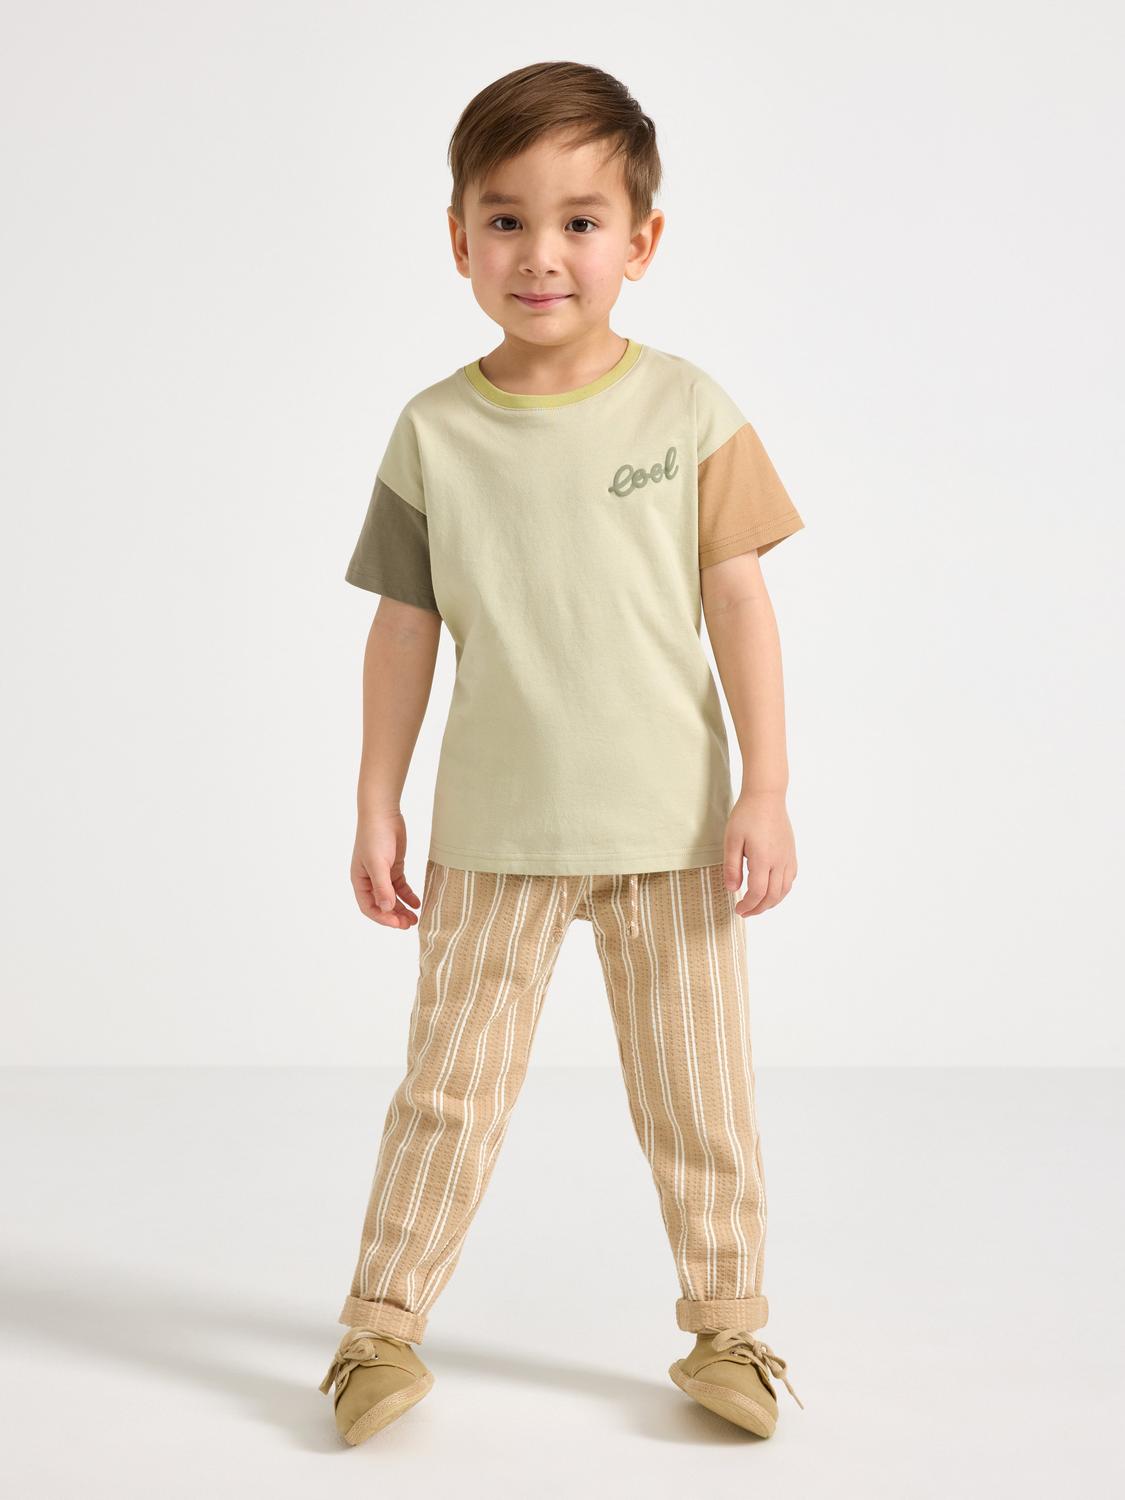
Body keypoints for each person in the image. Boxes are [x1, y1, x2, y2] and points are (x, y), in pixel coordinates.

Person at [318, 59, 807, 1446]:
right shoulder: (432, 432)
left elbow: (739, 605)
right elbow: (402, 628)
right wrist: (375, 800)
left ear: (640, 241)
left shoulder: (691, 411)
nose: (542, 254)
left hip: (673, 828)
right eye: (507, 220)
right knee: (448, 1095)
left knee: (700, 1099)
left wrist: (767, 789)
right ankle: (377, 1333)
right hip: (494, 832)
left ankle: (729, 1330)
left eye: (580, 222)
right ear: (459, 239)